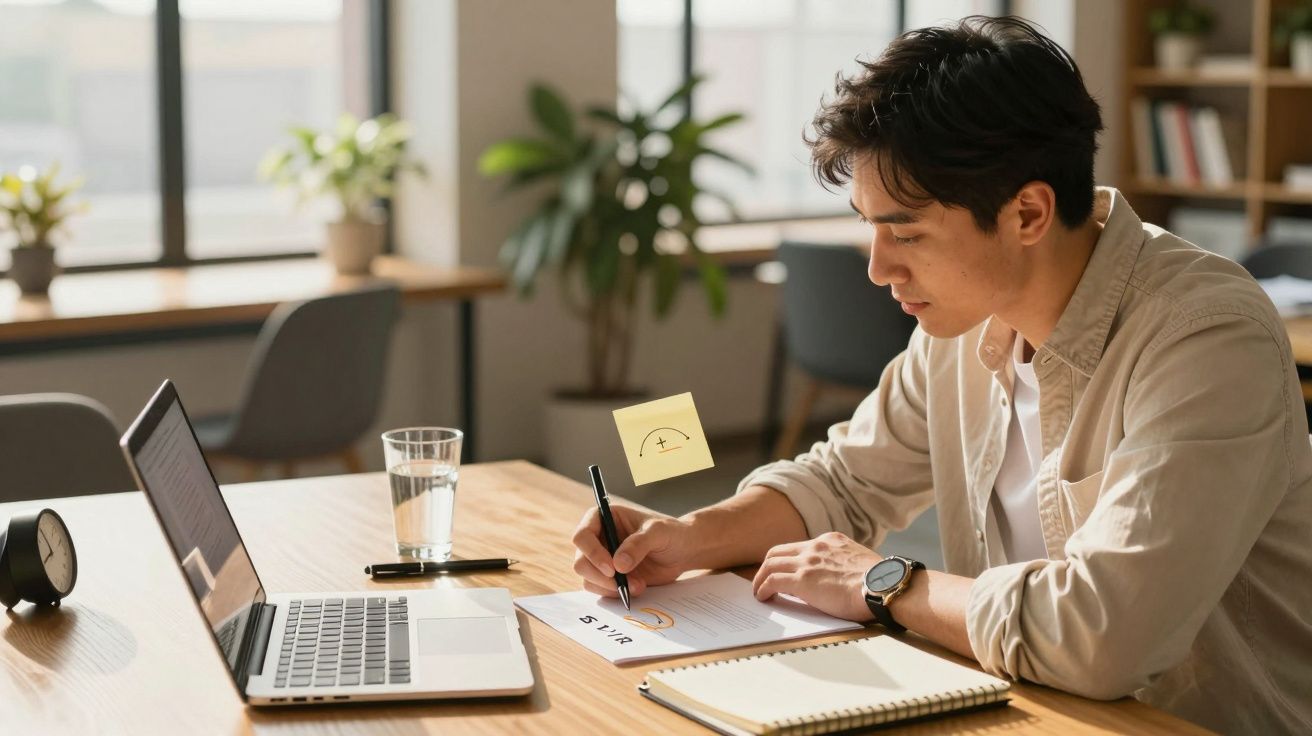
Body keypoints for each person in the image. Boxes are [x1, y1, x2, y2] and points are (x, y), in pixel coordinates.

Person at [570, 15, 1312, 735]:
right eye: (868, 224)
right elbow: (846, 481)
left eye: (906, 231)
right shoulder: (967, 320)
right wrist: (690, 537)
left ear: (1027, 212)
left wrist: (888, 584)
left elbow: (1104, 636)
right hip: (1022, 706)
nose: (876, 267)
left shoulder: (1204, 337)